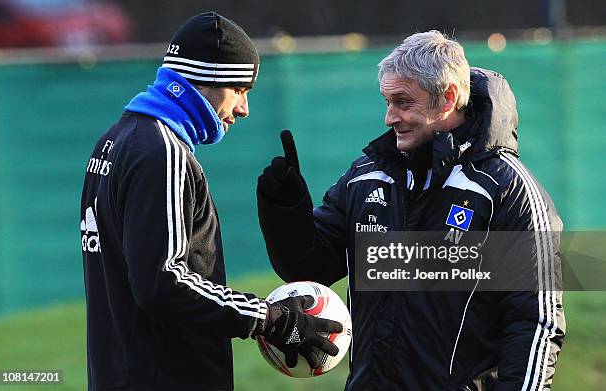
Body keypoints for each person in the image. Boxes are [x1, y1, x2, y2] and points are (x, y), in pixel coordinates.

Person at [257, 30, 565, 390]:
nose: (390, 117)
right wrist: (285, 208)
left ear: (447, 98)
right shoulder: (366, 176)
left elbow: (537, 323)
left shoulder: (507, 190)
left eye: (403, 102)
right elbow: (307, 267)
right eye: (387, 101)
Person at [80, 11, 341, 391]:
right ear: (206, 78)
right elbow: (163, 282)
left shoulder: (116, 139)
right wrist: (269, 318)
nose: (243, 109)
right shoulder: (162, 153)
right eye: (239, 89)